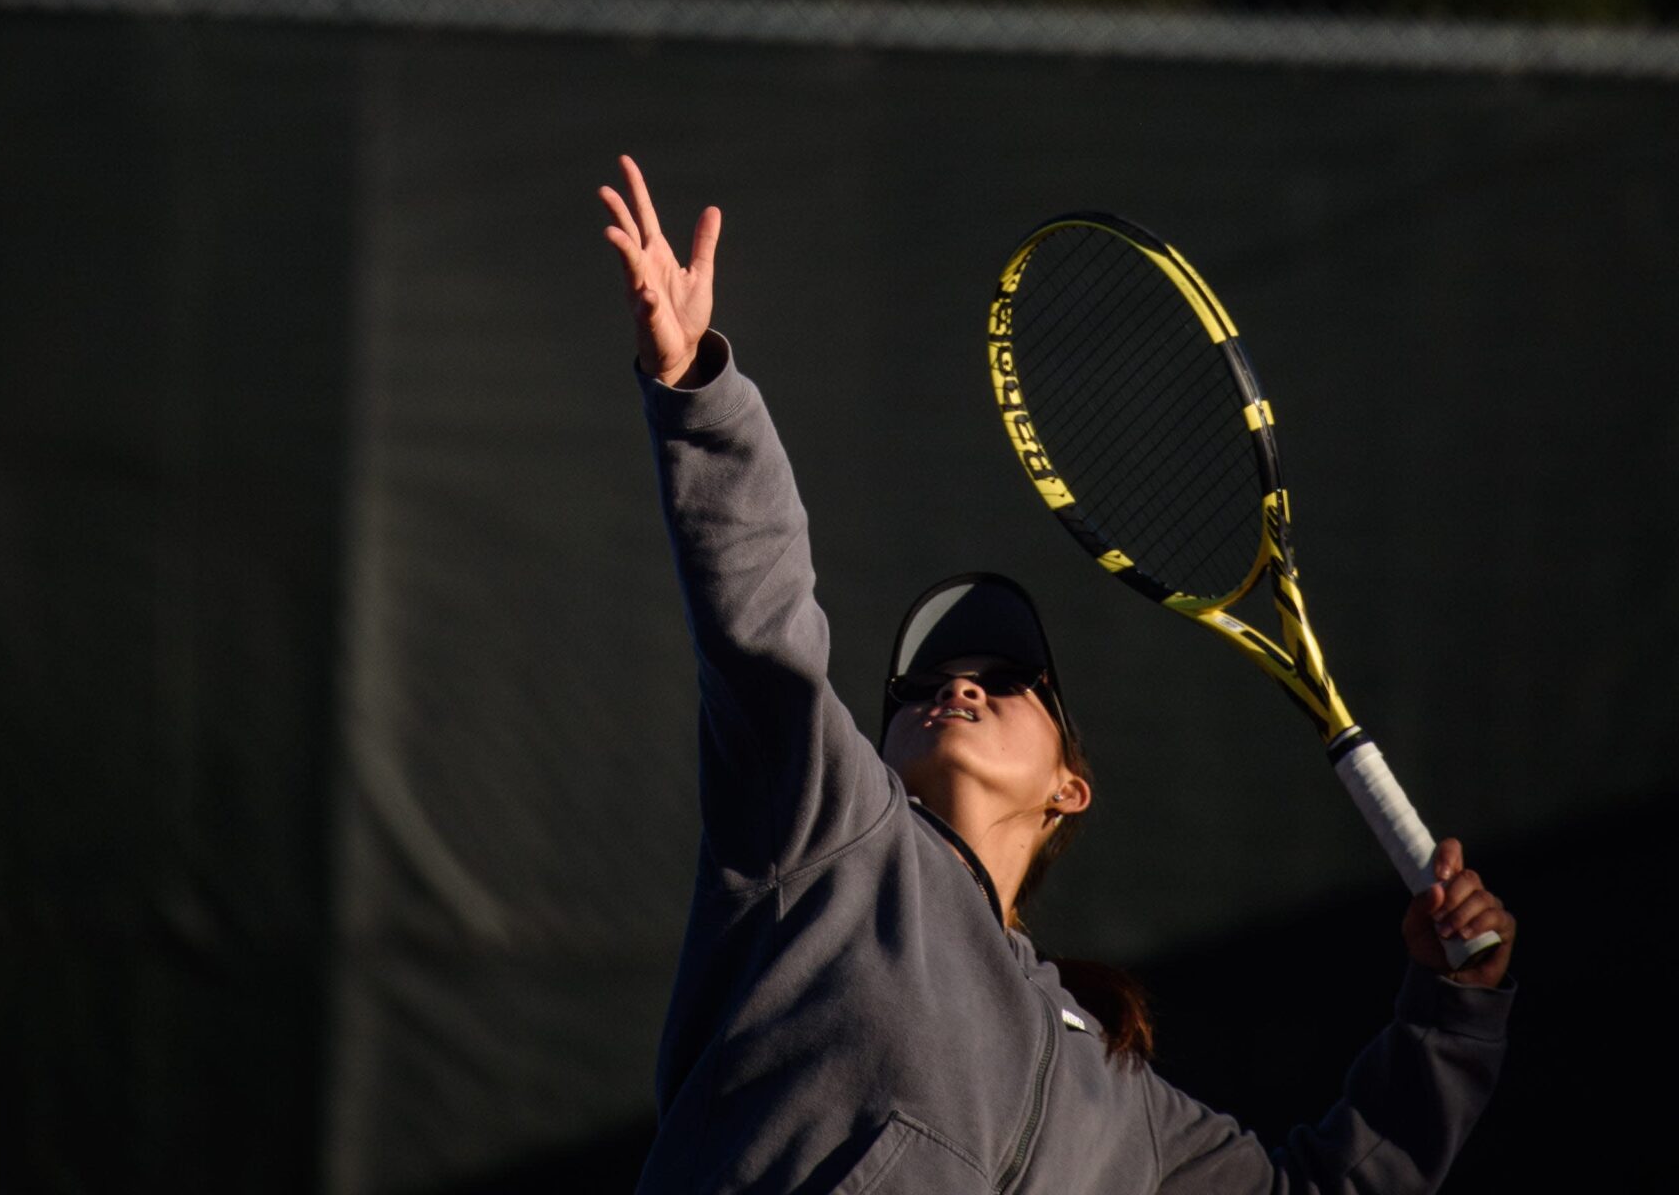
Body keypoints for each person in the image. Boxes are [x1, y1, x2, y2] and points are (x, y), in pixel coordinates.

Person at [601, 155, 1515, 1195]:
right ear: (882, 757)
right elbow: (760, 627)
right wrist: (697, 393)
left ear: (1069, 786)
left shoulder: (1121, 1102)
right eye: (918, 685)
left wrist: (1451, 1015)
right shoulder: (832, 843)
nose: (960, 683)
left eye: (1007, 673)